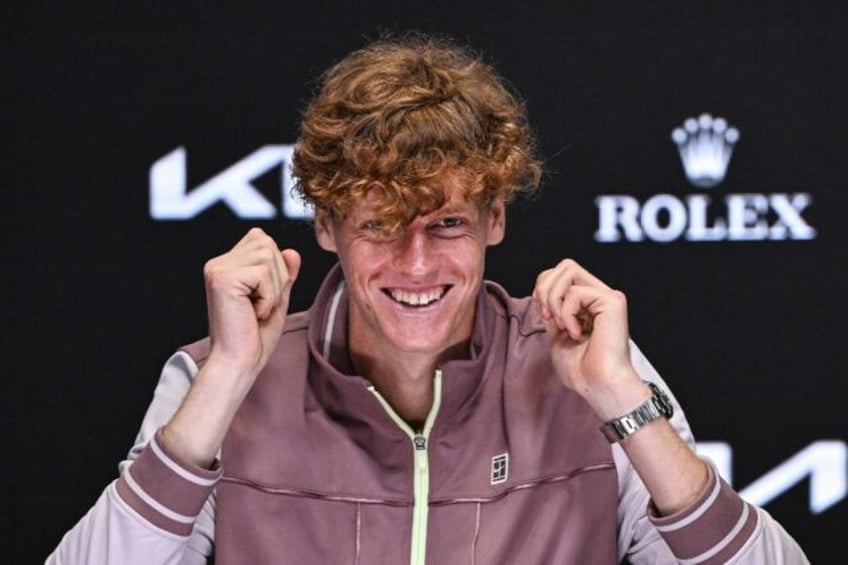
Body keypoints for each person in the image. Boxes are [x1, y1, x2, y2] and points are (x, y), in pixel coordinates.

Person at [47, 33, 808, 564]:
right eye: (379, 223)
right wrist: (225, 380)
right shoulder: (217, 378)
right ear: (324, 224)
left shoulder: (587, 370)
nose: (416, 263)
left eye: (445, 222)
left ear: (495, 220)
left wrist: (622, 401)